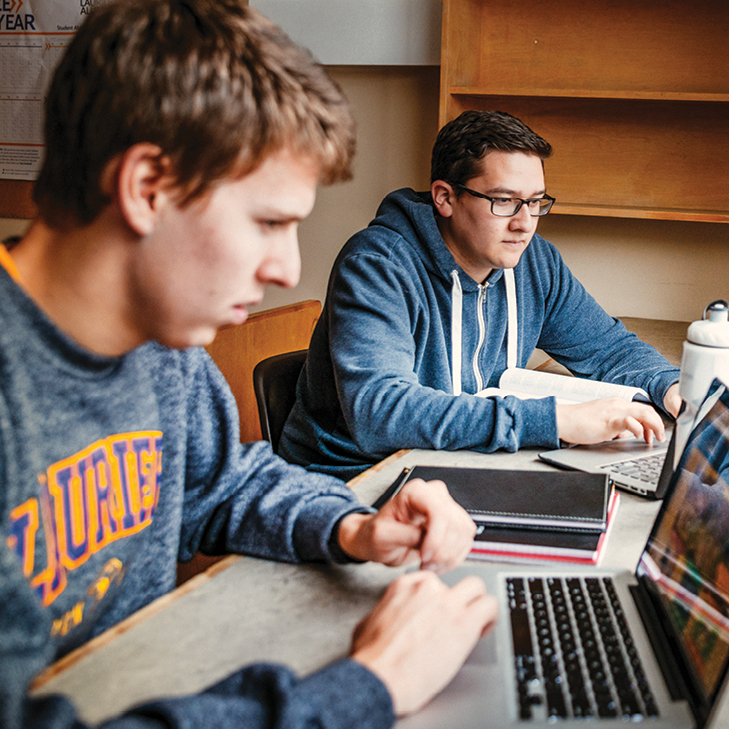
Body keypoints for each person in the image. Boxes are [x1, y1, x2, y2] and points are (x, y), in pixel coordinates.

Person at [0, 3, 499, 728]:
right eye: (268, 222)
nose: (286, 267)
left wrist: (353, 526)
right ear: (147, 187)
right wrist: (368, 685)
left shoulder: (162, 350)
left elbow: (223, 482)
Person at [279, 110, 682, 480]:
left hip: (461, 462)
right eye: (505, 201)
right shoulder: (377, 266)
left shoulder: (534, 262)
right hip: (355, 479)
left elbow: (607, 348)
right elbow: (382, 413)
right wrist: (555, 420)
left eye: (535, 202)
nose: (525, 224)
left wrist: (673, 387)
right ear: (445, 197)